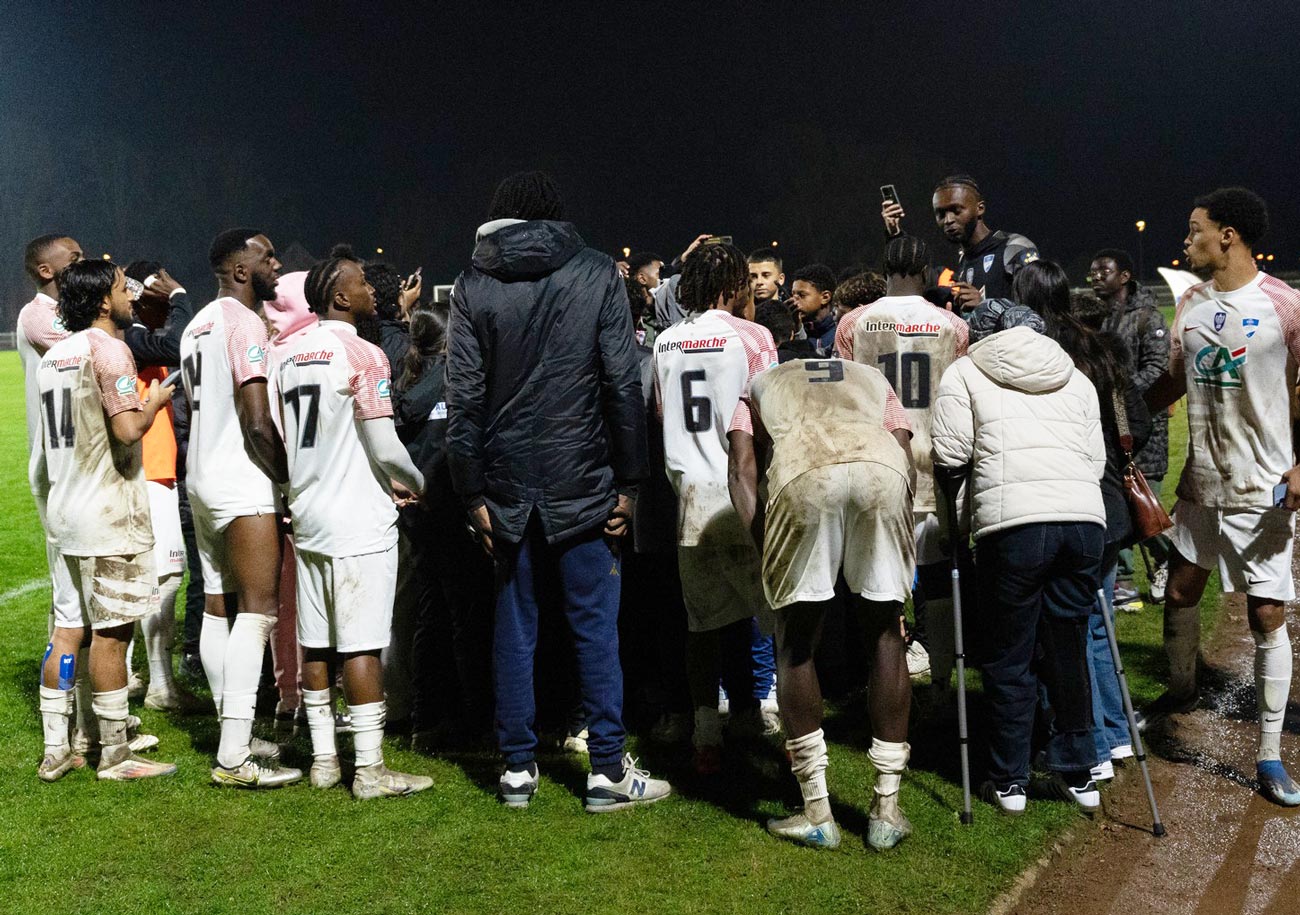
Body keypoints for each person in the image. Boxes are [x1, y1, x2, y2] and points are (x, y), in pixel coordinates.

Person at [447, 170, 670, 811]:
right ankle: (606, 769)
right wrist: (630, 482)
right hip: (584, 473)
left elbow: (464, 399)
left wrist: (471, 493)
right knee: (595, 627)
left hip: (507, 480)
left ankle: (518, 769)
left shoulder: (473, 283)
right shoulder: (595, 271)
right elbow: (621, 382)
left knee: (515, 627)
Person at [1142, 188, 1300, 806]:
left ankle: (1269, 755)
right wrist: (1124, 416)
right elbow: (1175, 380)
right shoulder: (1189, 302)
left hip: (1263, 486)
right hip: (1202, 483)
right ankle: (1181, 692)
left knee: (1266, 614)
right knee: (1181, 591)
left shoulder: (1284, 305)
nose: (1187, 241)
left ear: (1227, 236)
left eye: (1195, 230)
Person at [729, 352, 916, 850]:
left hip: (804, 470)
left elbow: (742, 469)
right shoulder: (870, 378)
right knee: (886, 631)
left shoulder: (760, 382)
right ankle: (886, 810)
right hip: (882, 468)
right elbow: (903, 446)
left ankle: (816, 810)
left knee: (796, 639)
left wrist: (766, 545)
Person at [269, 245, 433, 798]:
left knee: (316, 643)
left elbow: (276, 437)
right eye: (362, 282)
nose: (371, 290)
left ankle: (323, 761)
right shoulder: (364, 353)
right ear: (341, 297)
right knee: (361, 644)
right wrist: (421, 483)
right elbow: (384, 446)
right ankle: (369, 769)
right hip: (358, 518)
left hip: (309, 513)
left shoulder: (287, 354)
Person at [932, 298, 1105, 815]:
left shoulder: (965, 372)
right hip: (1082, 522)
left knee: (1010, 653)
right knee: (1067, 646)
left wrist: (957, 531)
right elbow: (1095, 460)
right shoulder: (1075, 376)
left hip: (1013, 528)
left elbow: (951, 459)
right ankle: (1078, 772)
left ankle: (1010, 780)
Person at [33, 259, 177, 781]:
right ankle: (116, 753)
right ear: (101, 301)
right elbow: (128, 429)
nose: (129, 297)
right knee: (112, 633)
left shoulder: (55, 355)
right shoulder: (109, 348)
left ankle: (60, 745)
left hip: (65, 511)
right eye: (121, 289)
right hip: (107, 512)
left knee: (68, 630)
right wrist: (154, 401)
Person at [181, 228, 302, 788]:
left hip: (201, 478)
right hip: (241, 479)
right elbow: (257, 422)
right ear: (239, 270)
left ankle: (235, 732)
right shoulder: (243, 322)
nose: (276, 264)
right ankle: (233, 756)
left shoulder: (197, 323)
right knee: (258, 612)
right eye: (266, 256)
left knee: (216, 607)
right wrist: (291, 481)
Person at [652, 242, 779, 774]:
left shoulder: (665, 341)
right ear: (734, 285)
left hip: (690, 496)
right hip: (744, 491)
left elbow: (663, 414)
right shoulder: (753, 336)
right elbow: (771, 416)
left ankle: (707, 736)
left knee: (701, 625)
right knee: (775, 618)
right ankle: (777, 728)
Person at [836, 236, 969, 690]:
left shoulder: (853, 323)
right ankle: (942, 683)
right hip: (934, 468)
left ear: (884, 270)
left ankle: (883, 679)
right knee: (936, 583)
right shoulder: (953, 326)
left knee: (880, 586)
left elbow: (846, 398)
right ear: (926, 271)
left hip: (875, 466)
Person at [392, 301, 494, 749]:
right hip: (455, 510)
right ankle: (476, 719)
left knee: (429, 614)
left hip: (418, 515)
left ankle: (427, 717)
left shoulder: (405, 381)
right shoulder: (456, 379)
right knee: (469, 617)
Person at [1068, 291, 1151, 778]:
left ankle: (1096, 746)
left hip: (1076, 504)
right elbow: (1138, 427)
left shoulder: (1059, 366)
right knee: (1100, 624)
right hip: (1111, 506)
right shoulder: (1110, 366)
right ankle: (1118, 735)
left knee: (1075, 627)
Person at [119, 260, 203, 712]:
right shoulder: (131, 337)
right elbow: (181, 342)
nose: (167, 312)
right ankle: (161, 686)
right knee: (165, 576)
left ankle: (129, 677)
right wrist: (179, 295)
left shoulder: (130, 338)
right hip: (149, 473)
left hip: (150, 471)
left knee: (138, 578)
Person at [1089, 248, 1171, 610]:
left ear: (1124, 277)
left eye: (1104, 271)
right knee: (1116, 502)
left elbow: (1157, 368)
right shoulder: (1098, 319)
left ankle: (1168, 559)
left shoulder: (1148, 316)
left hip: (1143, 425)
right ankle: (1123, 583)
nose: (1096, 277)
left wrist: (1118, 393)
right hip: (1110, 425)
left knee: (1143, 505)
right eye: (1093, 272)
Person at [882, 175, 1038, 312]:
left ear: (980, 208)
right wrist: (895, 234)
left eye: (956, 210)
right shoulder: (964, 259)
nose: (948, 220)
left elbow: (1038, 308)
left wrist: (985, 305)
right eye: (941, 214)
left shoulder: (1014, 247)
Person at [789, 264, 838, 356]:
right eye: (793, 294)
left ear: (825, 297)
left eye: (802, 295)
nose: (794, 301)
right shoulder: (794, 329)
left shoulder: (841, 331)